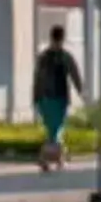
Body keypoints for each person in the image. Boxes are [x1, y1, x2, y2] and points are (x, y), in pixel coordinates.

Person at [32, 24, 84, 169]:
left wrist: (35, 98)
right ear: (62, 39)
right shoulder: (65, 56)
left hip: (45, 99)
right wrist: (81, 91)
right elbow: (75, 75)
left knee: (54, 130)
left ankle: (56, 159)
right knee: (55, 130)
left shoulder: (43, 57)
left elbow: (37, 78)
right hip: (58, 99)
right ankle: (45, 157)